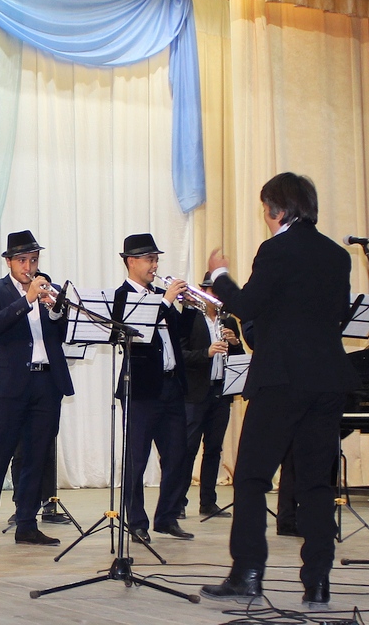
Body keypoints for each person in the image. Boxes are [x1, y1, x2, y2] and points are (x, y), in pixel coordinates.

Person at [201, 173, 355, 609]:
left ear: (278, 210)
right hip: (328, 380)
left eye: (266, 209)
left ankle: (247, 574)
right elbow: (339, 313)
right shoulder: (337, 255)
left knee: (251, 477)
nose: (266, 217)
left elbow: (245, 305)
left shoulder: (275, 250)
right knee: (317, 484)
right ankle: (318, 582)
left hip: (282, 379)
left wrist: (219, 275)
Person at [0, 230, 72, 549]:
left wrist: (56, 310)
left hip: (46, 382)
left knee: (36, 456)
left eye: (34, 260)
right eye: (23, 260)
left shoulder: (48, 289)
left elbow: (65, 333)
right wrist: (27, 300)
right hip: (11, 384)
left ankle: (27, 524)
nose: (29, 266)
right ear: (9, 262)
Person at [112, 233, 196, 543]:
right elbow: (139, 333)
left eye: (156, 259)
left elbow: (182, 333)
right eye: (149, 259)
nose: (155, 265)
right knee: (136, 459)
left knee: (177, 456)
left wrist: (189, 307)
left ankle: (167, 517)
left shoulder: (162, 296)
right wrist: (167, 302)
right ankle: (136, 521)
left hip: (172, 385)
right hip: (141, 389)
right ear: (131, 262)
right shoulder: (121, 297)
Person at [172, 278, 239, 520]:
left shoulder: (228, 319)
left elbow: (238, 356)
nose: (218, 296)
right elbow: (180, 355)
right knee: (188, 448)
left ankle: (208, 502)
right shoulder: (189, 317)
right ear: (203, 292)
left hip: (221, 392)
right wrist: (206, 353)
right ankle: (177, 503)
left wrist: (235, 343)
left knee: (214, 449)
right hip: (195, 392)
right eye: (213, 291)